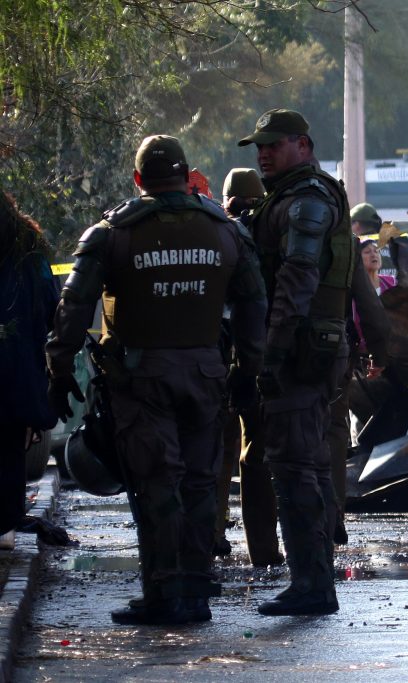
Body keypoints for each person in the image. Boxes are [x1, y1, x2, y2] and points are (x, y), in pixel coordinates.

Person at [45, 135, 267, 625]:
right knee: (200, 482)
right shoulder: (226, 231)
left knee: (155, 484)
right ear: (188, 176)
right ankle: (195, 590)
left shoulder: (112, 233)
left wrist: (59, 369)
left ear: (139, 179)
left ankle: (165, 594)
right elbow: (255, 304)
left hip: (140, 380)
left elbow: (74, 305)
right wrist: (248, 371)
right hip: (207, 376)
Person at [238, 108, 354, 615]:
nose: (263, 153)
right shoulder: (290, 198)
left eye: (274, 144)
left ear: (302, 146)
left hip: (302, 352)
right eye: (259, 147)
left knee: (295, 468)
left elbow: (298, 278)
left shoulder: (307, 200)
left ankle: (312, 584)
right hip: (307, 347)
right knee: (297, 466)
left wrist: (273, 351)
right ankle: (311, 581)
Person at [216, 168, 279, 564]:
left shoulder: (217, 234)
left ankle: (210, 534)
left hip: (216, 356)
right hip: (265, 356)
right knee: (259, 452)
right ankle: (264, 550)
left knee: (217, 448)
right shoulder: (276, 232)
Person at [0, 191, 60, 551]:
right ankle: (5, 524)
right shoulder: (30, 249)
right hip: (17, 367)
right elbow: (53, 304)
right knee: (8, 446)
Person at [326, 235, 391, 546]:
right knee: (335, 433)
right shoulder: (344, 242)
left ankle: (269, 538)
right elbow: (370, 308)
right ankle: (332, 515)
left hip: (277, 353)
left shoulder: (265, 226)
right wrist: (379, 353)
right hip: (332, 354)